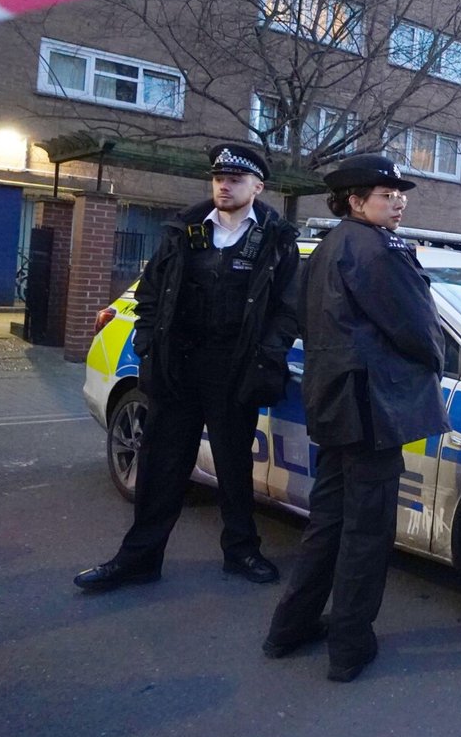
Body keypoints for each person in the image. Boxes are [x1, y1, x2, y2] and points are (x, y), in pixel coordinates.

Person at [75, 144, 299, 593]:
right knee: (161, 464)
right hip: (178, 365)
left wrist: (265, 357)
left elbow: (286, 310)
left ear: (257, 186)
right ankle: (139, 558)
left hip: (233, 368)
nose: (224, 184)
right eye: (218, 177)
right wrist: (149, 343)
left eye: (235, 179)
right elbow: (151, 293)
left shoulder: (276, 239)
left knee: (235, 467)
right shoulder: (184, 229)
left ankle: (241, 551)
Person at [263, 153, 450, 683]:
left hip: (333, 402)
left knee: (328, 523)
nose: (399, 201)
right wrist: (434, 359)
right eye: (386, 195)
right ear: (354, 200)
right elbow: (417, 328)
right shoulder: (379, 251)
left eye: (400, 193)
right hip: (373, 408)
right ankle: (349, 647)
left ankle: (288, 629)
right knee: (366, 531)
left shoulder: (329, 245)